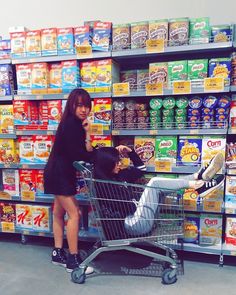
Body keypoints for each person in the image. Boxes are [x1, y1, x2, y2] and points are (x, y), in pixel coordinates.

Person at [93, 146, 224, 238]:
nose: (120, 165)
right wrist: (140, 198)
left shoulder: (120, 176)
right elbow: (125, 206)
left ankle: (198, 177)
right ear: (106, 164)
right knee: (155, 183)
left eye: (119, 161)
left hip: (140, 217)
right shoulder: (103, 186)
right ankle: (198, 185)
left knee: (160, 187)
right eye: (116, 163)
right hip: (131, 224)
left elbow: (141, 169)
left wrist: (130, 152)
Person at [44, 88, 94, 274]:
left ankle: (58, 253)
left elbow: (81, 150)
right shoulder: (72, 125)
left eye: (86, 105)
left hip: (57, 172)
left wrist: (87, 133)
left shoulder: (71, 123)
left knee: (58, 212)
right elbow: (80, 154)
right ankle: (73, 260)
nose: (83, 110)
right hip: (60, 174)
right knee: (75, 214)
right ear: (71, 105)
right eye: (79, 105)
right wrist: (100, 155)